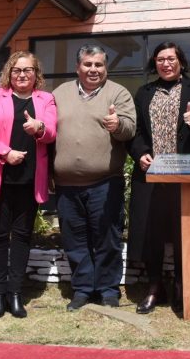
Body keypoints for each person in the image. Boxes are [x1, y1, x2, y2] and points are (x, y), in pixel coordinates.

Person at [127, 42, 190, 315]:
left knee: (185, 231)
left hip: (187, 177)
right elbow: (136, 131)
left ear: (181, 61)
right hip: (151, 176)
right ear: (154, 63)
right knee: (151, 233)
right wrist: (140, 153)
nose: (166, 64)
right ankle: (155, 286)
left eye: (171, 58)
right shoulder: (144, 93)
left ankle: (182, 284)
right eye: (160, 59)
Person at [0, 51, 57, 319]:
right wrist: (4, 153)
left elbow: (52, 131)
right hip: (0, 176)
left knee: (21, 237)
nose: (22, 75)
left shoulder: (46, 99)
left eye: (28, 70)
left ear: (36, 74)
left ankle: (15, 293)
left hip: (30, 180)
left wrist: (39, 128)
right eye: (17, 70)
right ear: (9, 73)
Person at [52, 44, 136, 310]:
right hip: (66, 186)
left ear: (106, 67)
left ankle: (108, 289)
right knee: (75, 240)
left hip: (105, 183)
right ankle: (83, 288)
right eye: (88, 64)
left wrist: (118, 125)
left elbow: (130, 129)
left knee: (107, 239)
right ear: (78, 67)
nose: (93, 70)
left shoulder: (118, 92)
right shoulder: (60, 93)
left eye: (99, 65)